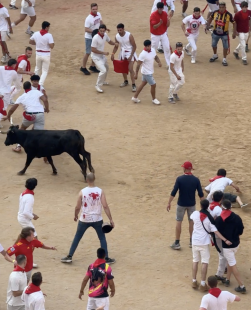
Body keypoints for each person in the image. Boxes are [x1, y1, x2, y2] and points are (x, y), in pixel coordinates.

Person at [61, 173, 115, 264]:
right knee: (102, 238)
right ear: (95, 179)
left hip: (84, 219)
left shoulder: (82, 192)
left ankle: (69, 256)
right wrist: (111, 219)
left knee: (77, 237)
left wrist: (75, 215)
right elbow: (105, 206)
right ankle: (106, 258)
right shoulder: (100, 191)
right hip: (97, 219)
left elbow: (77, 207)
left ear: (86, 180)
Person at [190, 199, 231, 292]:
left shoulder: (195, 214)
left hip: (195, 240)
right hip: (204, 242)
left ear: (200, 206)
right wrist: (225, 239)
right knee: (204, 262)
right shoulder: (209, 219)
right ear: (208, 206)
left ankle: (194, 281)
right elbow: (216, 232)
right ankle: (203, 283)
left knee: (195, 260)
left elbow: (192, 219)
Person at [167, 161, 204, 250]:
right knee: (191, 222)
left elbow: (174, 192)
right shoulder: (196, 180)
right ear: (191, 169)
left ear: (185, 168)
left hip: (181, 204)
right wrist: (204, 207)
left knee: (179, 221)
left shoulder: (179, 179)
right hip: (191, 204)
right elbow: (200, 194)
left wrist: (169, 202)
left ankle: (177, 242)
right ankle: (192, 241)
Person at [215, 200, 246, 293]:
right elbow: (241, 231)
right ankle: (227, 279)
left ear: (222, 208)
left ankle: (242, 286)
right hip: (236, 243)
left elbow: (217, 232)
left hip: (226, 246)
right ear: (230, 207)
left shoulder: (219, 219)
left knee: (232, 264)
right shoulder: (237, 217)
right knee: (230, 260)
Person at [80, 2, 108, 75]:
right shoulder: (88, 18)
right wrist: (94, 31)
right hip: (89, 37)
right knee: (88, 52)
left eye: (96, 9)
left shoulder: (99, 14)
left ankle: (92, 66)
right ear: (91, 9)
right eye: (93, 9)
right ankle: (83, 67)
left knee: (95, 51)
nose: (95, 10)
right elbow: (86, 29)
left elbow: (100, 21)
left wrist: (104, 28)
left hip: (96, 36)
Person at [131, 40, 162, 105]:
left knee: (143, 84)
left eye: (148, 46)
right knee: (153, 85)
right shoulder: (143, 54)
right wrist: (136, 74)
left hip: (148, 71)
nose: (147, 47)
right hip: (146, 72)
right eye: (146, 46)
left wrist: (159, 62)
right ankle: (154, 99)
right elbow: (138, 65)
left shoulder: (153, 50)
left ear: (150, 45)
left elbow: (155, 57)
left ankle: (135, 97)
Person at [206, 2, 236, 66]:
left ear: (225, 7)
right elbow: (210, 18)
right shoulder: (215, 12)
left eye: (223, 7)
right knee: (213, 45)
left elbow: (234, 22)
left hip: (224, 34)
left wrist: (234, 32)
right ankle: (215, 55)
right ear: (218, 7)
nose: (221, 9)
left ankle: (224, 59)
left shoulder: (228, 15)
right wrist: (207, 25)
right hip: (215, 33)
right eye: (220, 7)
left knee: (225, 47)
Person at [111, 23, 137, 92]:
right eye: (118, 30)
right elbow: (116, 46)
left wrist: (131, 56)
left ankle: (133, 84)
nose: (119, 31)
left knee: (130, 69)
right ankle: (125, 81)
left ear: (123, 29)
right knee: (123, 68)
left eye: (120, 30)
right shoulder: (117, 36)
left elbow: (134, 46)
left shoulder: (129, 35)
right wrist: (113, 53)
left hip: (130, 52)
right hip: (123, 52)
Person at [91, 24, 117, 93]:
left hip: (102, 56)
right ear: (99, 30)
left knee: (106, 67)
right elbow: (93, 49)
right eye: (101, 31)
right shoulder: (95, 38)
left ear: (105, 30)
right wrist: (103, 53)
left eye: (103, 31)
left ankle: (102, 81)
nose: (102, 32)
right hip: (96, 57)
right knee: (103, 70)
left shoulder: (105, 35)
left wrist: (115, 43)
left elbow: (109, 41)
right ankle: (97, 85)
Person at [208, 191, 227, 281]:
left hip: (211, 232)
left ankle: (225, 267)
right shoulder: (218, 209)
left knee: (222, 251)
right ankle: (219, 274)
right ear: (221, 199)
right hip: (217, 233)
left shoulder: (209, 206)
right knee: (222, 254)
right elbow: (221, 221)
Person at [29, 21, 54, 86]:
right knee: (44, 71)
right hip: (46, 55)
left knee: (37, 69)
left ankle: (34, 82)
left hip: (38, 54)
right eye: (48, 27)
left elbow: (30, 41)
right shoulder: (49, 35)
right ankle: (40, 84)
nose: (49, 28)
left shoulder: (36, 33)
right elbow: (52, 46)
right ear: (46, 27)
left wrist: (37, 43)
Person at [150, 2, 171, 68]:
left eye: (162, 9)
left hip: (163, 33)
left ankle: (169, 64)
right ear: (157, 8)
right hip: (155, 35)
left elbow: (167, 25)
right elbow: (154, 27)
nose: (161, 10)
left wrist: (168, 20)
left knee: (167, 48)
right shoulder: (153, 15)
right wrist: (160, 23)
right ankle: (149, 62)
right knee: (153, 49)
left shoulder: (165, 14)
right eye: (159, 9)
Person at [0, 59, 19, 124]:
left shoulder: (1, 68)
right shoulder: (14, 72)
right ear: (13, 65)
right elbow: (16, 83)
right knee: (3, 109)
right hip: (5, 93)